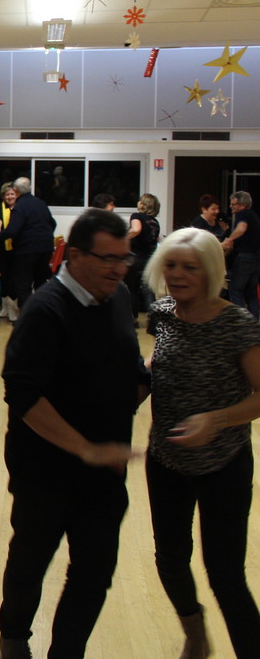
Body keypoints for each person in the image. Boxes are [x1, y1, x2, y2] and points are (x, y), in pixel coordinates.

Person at [0, 209, 149, 659]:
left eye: (124, 259)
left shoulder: (119, 296)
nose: (119, 269)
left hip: (104, 474)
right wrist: (85, 448)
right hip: (45, 473)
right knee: (30, 562)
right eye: (108, 259)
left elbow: (128, 369)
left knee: (94, 573)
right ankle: (14, 639)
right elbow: (23, 396)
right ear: (76, 255)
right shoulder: (45, 310)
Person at [142, 228, 260, 658]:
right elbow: (159, 360)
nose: (177, 274)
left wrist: (217, 419)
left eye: (189, 267)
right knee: (170, 561)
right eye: (171, 265)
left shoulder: (237, 325)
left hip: (223, 464)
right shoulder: (162, 313)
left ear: (210, 271)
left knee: (225, 575)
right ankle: (195, 632)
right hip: (165, 460)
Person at [0, 177, 57, 305]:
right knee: (41, 282)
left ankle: (28, 313)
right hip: (46, 247)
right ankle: (41, 311)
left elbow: (12, 231)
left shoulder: (20, 206)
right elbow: (53, 223)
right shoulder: (40, 203)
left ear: (16, 190)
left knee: (23, 285)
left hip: (28, 249)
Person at [222, 191, 260, 318]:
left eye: (234, 204)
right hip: (256, 257)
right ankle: (254, 322)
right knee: (251, 292)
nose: (231, 206)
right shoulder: (254, 216)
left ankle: (241, 321)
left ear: (243, 205)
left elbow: (242, 228)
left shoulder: (243, 214)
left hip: (244, 257)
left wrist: (229, 240)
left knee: (235, 290)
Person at [125, 192, 161, 322]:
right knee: (148, 290)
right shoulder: (155, 222)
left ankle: (133, 319)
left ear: (143, 204)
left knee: (132, 288)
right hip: (150, 259)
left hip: (136, 258)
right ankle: (153, 320)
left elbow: (136, 230)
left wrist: (122, 237)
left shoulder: (137, 216)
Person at [0, 182, 19, 321]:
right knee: (4, 277)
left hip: (17, 248)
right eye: (7, 194)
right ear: (3, 196)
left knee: (14, 278)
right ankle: (4, 307)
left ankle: (13, 309)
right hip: (3, 247)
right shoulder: (0, 208)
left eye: (12, 194)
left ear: (16, 195)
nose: (10, 197)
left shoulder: (20, 207)